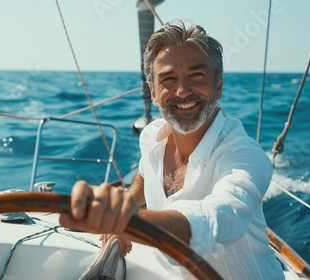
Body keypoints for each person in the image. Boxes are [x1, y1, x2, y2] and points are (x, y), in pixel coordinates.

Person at [59, 19, 284, 279]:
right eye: (168, 79)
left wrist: (128, 222)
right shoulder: (152, 137)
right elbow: (146, 173)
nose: (182, 91)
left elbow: (224, 216)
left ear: (218, 86)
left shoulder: (244, 156)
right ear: (154, 94)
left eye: (197, 76)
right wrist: (129, 203)